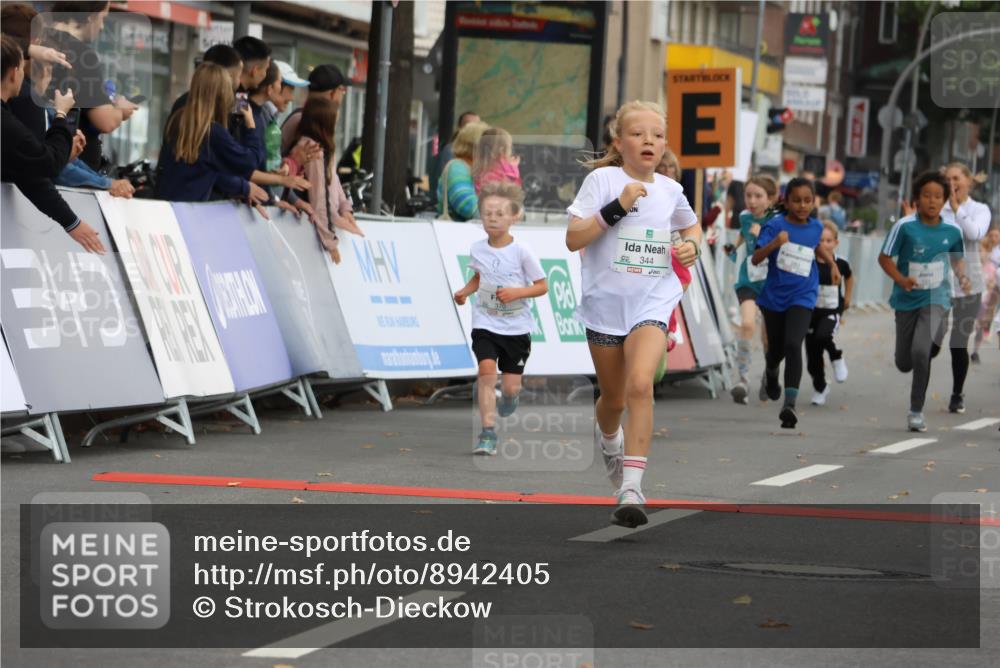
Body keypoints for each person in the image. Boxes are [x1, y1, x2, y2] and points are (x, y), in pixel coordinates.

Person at [565, 100, 701, 528]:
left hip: (652, 300)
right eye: (639, 134)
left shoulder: (671, 190)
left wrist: (691, 246)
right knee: (614, 400)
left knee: (642, 383)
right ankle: (610, 442)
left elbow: (692, 227)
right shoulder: (602, 181)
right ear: (619, 141)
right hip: (606, 307)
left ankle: (632, 486)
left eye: (657, 135)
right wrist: (616, 208)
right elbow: (573, 239)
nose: (649, 141)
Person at [452, 182, 548, 455]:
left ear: (514, 216)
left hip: (516, 327)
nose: (492, 218)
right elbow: (479, 276)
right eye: (487, 213)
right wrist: (464, 292)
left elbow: (542, 285)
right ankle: (487, 433)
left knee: (510, 386)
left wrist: (518, 292)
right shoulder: (478, 248)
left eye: (499, 213)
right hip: (485, 322)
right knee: (485, 372)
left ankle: (509, 398)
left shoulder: (522, 251)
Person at [878, 171, 971, 433]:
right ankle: (927, 347)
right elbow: (884, 258)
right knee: (904, 361)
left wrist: (963, 276)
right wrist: (902, 278)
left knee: (921, 352)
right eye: (927, 196)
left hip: (937, 297)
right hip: (906, 299)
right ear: (917, 198)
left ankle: (916, 411)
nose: (932, 201)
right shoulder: (905, 226)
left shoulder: (952, 230)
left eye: (938, 196)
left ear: (944, 200)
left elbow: (957, 258)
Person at [1, 34, 104, 253]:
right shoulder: (6, 121)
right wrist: (61, 116)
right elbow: (46, 162)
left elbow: (26, 170)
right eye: (22, 67)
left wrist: (71, 222)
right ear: (12, 73)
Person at [751, 177, 840, 429]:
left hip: (803, 295)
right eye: (797, 200)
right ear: (786, 201)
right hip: (774, 298)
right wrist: (775, 243)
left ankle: (789, 404)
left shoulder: (815, 227)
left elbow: (816, 247)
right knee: (776, 349)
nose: (802, 205)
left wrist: (832, 263)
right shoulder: (775, 225)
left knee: (793, 343)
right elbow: (756, 258)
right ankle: (770, 371)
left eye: (807, 201)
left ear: (814, 202)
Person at [156, 63, 267, 213]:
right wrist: (250, 123)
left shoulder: (179, 119)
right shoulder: (212, 132)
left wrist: (244, 187)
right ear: (222, 93)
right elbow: (249, 161)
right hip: (189, 213)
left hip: (166, 208)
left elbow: (208, 170)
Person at [42, 1, 138, 172]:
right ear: (90, 15)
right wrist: (121, 109)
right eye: (102, 18)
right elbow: (105, 121)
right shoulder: (81, 54)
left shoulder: (40, 40)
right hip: (70, 170)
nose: (101, 27)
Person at [939, 162, 991, 413]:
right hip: (938, 283)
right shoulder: (938, 207)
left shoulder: (980, 209)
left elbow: (974, 233)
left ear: (969, 181)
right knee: (932, 340)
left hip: (970, 285)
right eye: (948, 179)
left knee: (958, 343)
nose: (952, 183)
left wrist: (958, 209)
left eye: (957, 178)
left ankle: (957, 393)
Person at [289, 96, 363, 264]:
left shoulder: (321, 148)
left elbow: (332, 180)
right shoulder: (314, 150)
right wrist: (330, 242)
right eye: (334, 122)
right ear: (324, 123)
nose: (336, 126)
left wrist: (345, 208)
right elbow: (320, 196)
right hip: (310, 228)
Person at [724, 174, 779, 404]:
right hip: (749, 279)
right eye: (748, 195)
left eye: (758, 196)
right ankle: (742, 380)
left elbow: (780, 250)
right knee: (747, 324)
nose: (752, 201)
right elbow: (742, 234)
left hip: (772, 283)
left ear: (770, 199)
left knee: (769, 338)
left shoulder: (778, 221)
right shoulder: (745, 216)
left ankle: (770, 375)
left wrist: (761, 240)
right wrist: (733, 248)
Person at [806, 222, 854, 405]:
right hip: (810, 312)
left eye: (828, 240)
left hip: (832, 310)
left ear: (835, 243)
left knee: (824, 335)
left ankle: (836, 357)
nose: (824, 244)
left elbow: (850, 277)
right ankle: (820, 388)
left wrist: (847, 298)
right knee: (812, 356)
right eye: (820, 241)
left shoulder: (840, 263)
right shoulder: (809, 262)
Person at [164, 43, 243, 137]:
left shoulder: (238, 99)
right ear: (226, 77)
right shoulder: (187, 104)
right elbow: (238, 143)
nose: (241, 81)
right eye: (239, 76)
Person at [437, 121, 489, 222]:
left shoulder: (476, 169)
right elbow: (467, 206)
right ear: (475, 146)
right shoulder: (457, 168)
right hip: (458, 234)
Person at [431, 110, 480, 198]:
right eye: (469, 125)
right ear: (460, 128)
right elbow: (450, 183)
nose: (473, 129)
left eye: (476, 125)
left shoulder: (480, 152)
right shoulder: (451, 150)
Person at [972, 227, 1000, 363]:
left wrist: (991, 283)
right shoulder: (971, 265)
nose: (979, 253)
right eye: (978, 251)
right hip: (971, 298)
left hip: (985, 298)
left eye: (981, 251)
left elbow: (993, 282)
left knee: (981, 322)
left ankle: (975, 351)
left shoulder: (991, 268)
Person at [472, 127, 521, 192]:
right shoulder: (501, 171)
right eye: (509, 147)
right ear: (502, 150)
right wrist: (513, 167)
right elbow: (514, 189)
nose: (511, 150)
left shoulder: (481, 168)